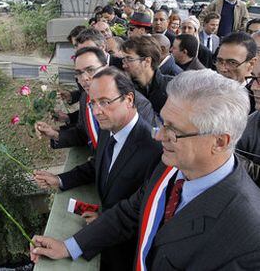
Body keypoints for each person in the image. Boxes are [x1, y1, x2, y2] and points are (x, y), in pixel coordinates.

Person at [30, 69, 260, 270]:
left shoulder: (249, 235)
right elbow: (130, 212)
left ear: (219, 141)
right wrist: (69, 246)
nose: (159, 136)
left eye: (172, 130)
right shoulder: (171, 167)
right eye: (163, 123)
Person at [34, 67, 162, 270]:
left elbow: (142, 212)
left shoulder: (154, 150)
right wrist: (60, 180)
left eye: (104, 102)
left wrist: (74, 244)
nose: (96, 111)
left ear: (129, 99)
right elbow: (99, 164)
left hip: (126, 254)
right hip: (104, 238)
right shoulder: (109, 128)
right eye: (93, 103)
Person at [35, 47, 155, 150]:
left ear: (106, 67)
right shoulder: (85, 98)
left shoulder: (138, 104)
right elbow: (83, 133)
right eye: (79, 73)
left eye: (90, 70)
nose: (84, 78)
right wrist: (54, 134)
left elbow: (137, 153)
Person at [120, 35, 173, 114]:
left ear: (147, 61)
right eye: (124, 60)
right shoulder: (126, 89)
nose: (124, 65)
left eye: (129, 59)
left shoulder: (171, 88)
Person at [215, 32, 257, 113]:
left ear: (251, 64)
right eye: (220, 61)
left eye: (232, 63)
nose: (223, 69)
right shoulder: (209, 89)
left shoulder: (256, 99)